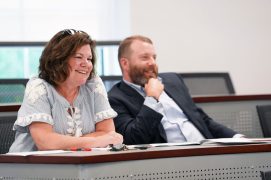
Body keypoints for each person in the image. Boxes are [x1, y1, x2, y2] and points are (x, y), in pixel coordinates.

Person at [108, 35, 244, 145]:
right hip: (172, 163)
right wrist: (151, 99)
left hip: (207, 150)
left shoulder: (173, 80)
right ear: (125, 63)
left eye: (154, 57)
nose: (153, 63)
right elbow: (135, 139)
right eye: (145, 58)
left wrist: (237, 137)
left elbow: (201, 119)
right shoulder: (115, 98)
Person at [9, 29, 123, 152]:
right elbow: (45, 143)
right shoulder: (38, 86)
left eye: (89, 59)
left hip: (76, 164)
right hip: (28, 167)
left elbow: (108, 132)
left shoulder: (93, 84)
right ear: (59, 60)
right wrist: (98, 140)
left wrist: (64, 142)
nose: (87, 64)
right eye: (79, 57)